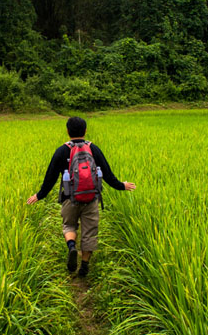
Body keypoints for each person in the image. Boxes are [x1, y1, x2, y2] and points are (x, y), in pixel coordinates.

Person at [25, 116, 136, 276]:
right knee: (89, 232)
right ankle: (84, 266)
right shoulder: (93, 149)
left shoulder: (62, 151)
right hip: (91, 198)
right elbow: (107, 174)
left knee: (69, 226)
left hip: (70, 198)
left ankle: (71, 247)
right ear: (85, 131)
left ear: (67, 131)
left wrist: (40, 195)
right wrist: (121, 186)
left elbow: (50, 177)